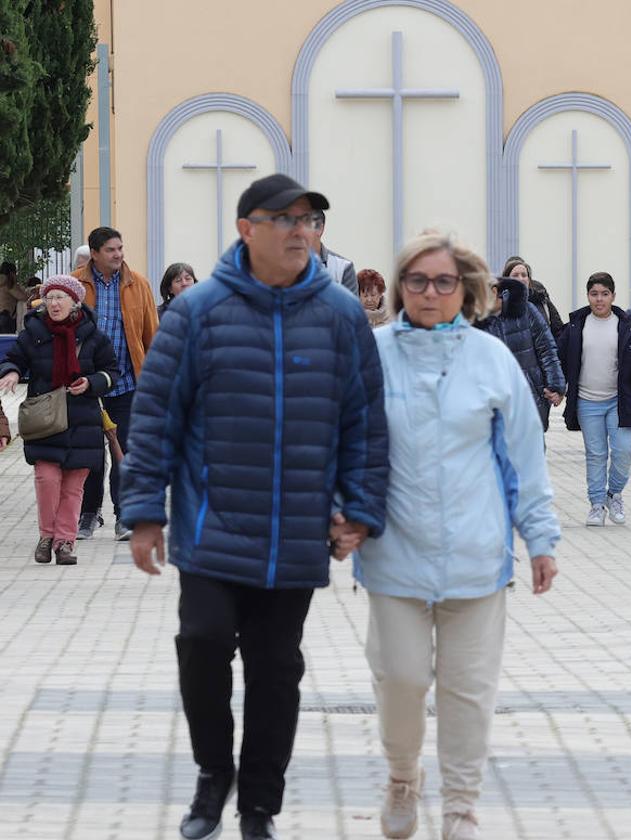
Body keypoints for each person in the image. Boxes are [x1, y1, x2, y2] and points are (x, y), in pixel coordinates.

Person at [120, 173, 389, 840]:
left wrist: (359, 507)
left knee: (278, 671)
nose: (302, 231)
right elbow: (155, 418)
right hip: (213, 525)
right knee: (201, 644)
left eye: (311, 221)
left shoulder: (341, 315)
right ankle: (215, 773)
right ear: (247, 229)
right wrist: (145, 512)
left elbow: (364, 423)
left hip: (296, 533)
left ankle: (259, 806)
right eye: (286, 219)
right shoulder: (198, 312)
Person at [356, 232, 559, 840]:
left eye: (444, 282)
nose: (430, 292)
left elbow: (524, 455)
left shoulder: (490, 358)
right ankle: (401, 777)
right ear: (399, 288)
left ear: (466, 290)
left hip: (476, 553)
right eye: (417, 281)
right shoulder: (372, 353)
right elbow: (345, 446)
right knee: (401, 677)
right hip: (393, 551)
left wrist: (540, 539)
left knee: (468, 690)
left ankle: (461, 807)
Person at [0, 275, 117, 565]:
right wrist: (12, 372)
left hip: (83, 419)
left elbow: (111, 372)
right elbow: (14, 358)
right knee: (47, 479)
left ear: (75, 302)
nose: (53, 303)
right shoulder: (34, 332)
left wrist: (91, 383)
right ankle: (46, 535)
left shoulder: (94, 336)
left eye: (60, 298)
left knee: (74, 486)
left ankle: (65, 542)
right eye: (49, 298)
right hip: (46, 418)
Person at [71, 226, 159, 541]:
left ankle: (125, 515)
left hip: (128, 384)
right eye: (110, 249)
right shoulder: (75, 284)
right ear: (94, 253)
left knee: (126, 452)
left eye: (120, 248)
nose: (118, 254)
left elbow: (152, 335)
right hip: (86, 385)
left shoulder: (139, 285)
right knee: (90, 452)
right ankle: (88, 514)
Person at [558, 271, 631, 526]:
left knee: (624, 450)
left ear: (613, 296)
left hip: (618, 400)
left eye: (604, 294)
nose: (599, 299)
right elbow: (560, 361)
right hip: (586, 401)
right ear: (588, 296)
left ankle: (614, 493)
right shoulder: (575, 327)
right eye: (594, 294)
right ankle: (597, 504)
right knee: (596, 453)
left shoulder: (628, 328)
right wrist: (556, 388)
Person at [476, 274, 565, 432]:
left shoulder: (525, 310)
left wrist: (556, 386)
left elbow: (547, 349)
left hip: (530, 396)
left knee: (531, 451)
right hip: (493, 402)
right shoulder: (476, 322)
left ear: (495, 291)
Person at [502, 256, 564, 337]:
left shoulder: (541, 297)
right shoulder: (499, 304)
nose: (520, 279)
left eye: (523, 274)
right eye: (515, 275)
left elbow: (558, 329)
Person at [309, 208, 358, 294]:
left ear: (320, 228)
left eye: (305, 224)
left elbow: (349, 307)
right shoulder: (282, 265)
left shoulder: (342, 267)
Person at [0, 261, 31, 334]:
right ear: (11, 273)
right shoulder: (8, 283)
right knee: (7, 342)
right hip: (4, 317)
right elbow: (23, 297)